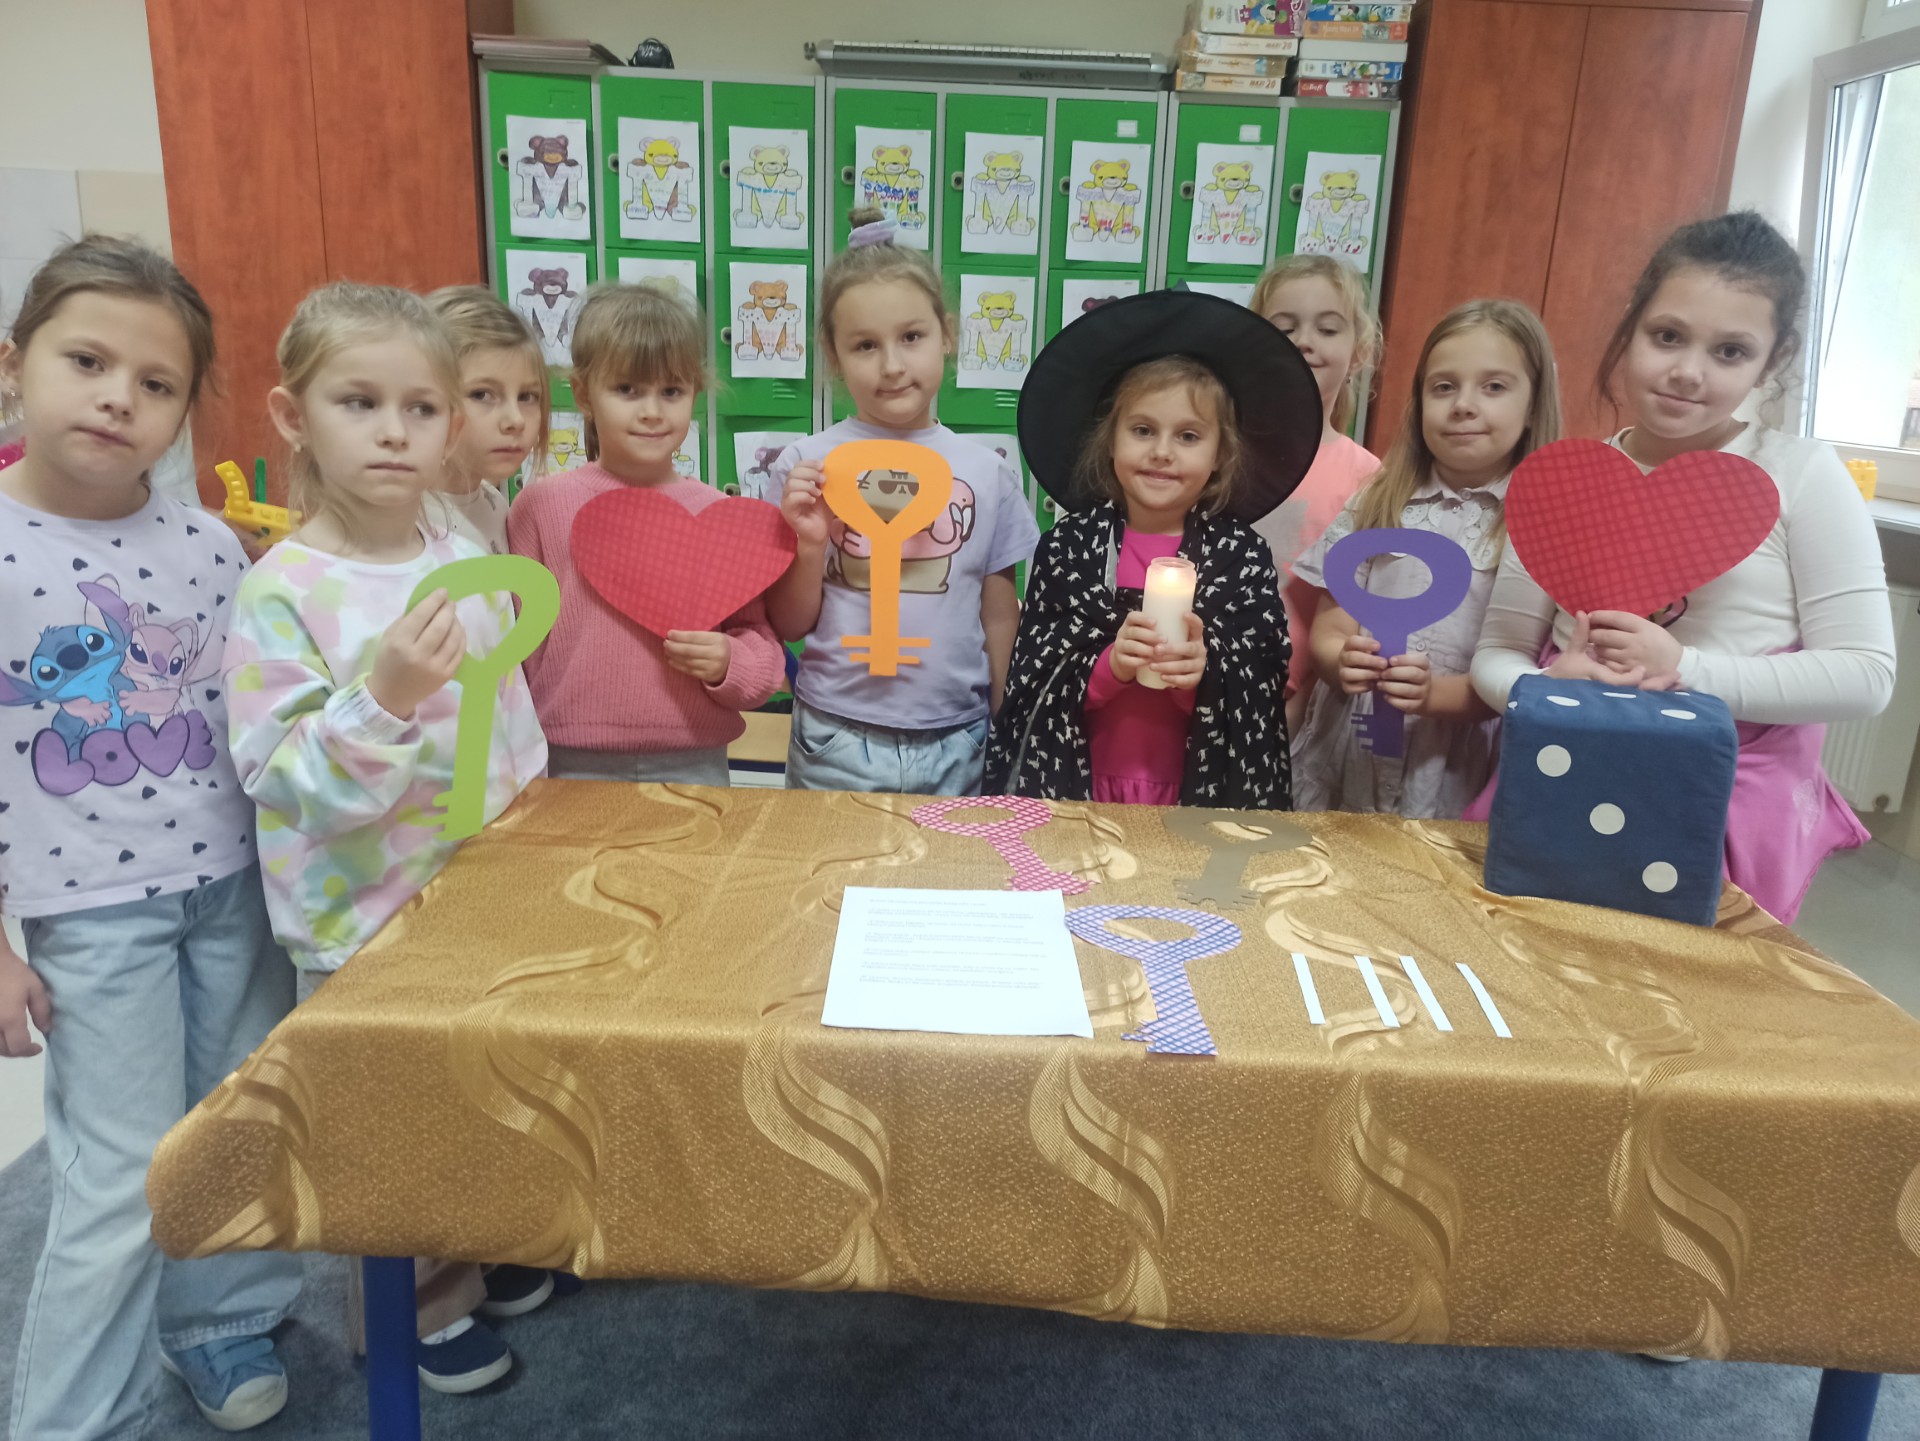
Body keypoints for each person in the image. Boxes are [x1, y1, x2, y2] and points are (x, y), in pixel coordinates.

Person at [0, 235, 302, 1436]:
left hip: (235, 889)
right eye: (87, 361)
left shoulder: (208, 545)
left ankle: (221, 1322)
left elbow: (251, 719)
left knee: (235, 1125)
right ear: (15, 367)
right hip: (89, 916)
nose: (118, 396)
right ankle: (73, 1416)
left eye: (157, 381)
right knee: (120, 1176)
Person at [224, 281, 550, 1394]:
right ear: (293, 415)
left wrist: (531, 833)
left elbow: (507, 714)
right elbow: (286, 781)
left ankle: (468, 1253)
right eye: (358, 402)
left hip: (480, 895)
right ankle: (411, 1310)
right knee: (389, 1123)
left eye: (420, 408)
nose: (393, 432)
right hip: (363, 918)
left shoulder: (455, 546)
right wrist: (387, 698)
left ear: (449, 424)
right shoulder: (281, 590)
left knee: (473, 1091)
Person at [1470, 212, 1895, 921]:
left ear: (1774, 359)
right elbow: (1497, 653)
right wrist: (1543, 689)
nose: (1687, 372)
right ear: (1631, 326)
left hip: (1723, 811)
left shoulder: (1803, 475)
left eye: (1730, 351)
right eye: (1667, 336)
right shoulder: (1565, 480)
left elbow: (1866, 674)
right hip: (1562, 780)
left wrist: (1684, 668)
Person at [985, 290, 1322, 806]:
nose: (1162, 452)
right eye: (1143, 430)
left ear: (1219, 453)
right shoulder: (1070, 549)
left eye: (1188, 436)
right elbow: (1034, 677)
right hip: (1078, 791)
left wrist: (1199, 676)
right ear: (1111, 440)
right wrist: (1110, 665)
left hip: (1197, 798)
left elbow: (1262, 677)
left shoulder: (1240, 556)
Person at [766, 207, 1039, 794]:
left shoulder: (987, 472)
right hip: (835, 732)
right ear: (833, 356)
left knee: (946, 860)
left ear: (948, 335)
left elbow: (998, 612)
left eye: (912, 337)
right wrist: (809, 544)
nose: (892, 366)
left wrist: (1006, 725)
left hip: (959, 736)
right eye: (865, 345)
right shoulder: (805, 466)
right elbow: (788, 622)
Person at [1292, 299, 1561, 817]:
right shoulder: (1377, 499)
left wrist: (1437, 695)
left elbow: (1524, 669)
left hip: (1451, 771)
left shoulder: (1540, 526)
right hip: (1346, 754)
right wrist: (1338, 658)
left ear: (1533, 406)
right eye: (1443, 387)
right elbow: (1331, 623)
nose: (1463, 405)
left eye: (1494, 387)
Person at [507, 283, 783, 784]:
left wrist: (730, 662)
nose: (652, 411)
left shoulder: (720, 517)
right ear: (583, 394)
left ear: (695, 393)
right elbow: (515, 642)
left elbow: (759, 644)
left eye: (671, 391)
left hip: (694, 761)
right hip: (567, 760)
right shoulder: (540, 506)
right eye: (627, 390)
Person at [1248, 255, 1384, 731]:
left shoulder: (1369, 479)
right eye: (1285, 329)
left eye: (1327, 329)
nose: (1304, 342)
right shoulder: (1220, 457)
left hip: (1299, 711)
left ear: (1359, 351)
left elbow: (1355, 609)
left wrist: (1304, 699)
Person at [427, 285, 550, 553]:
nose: (515, 420)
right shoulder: (403, 525)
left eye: (527, 396)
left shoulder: (495, 505)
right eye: (482, 394)